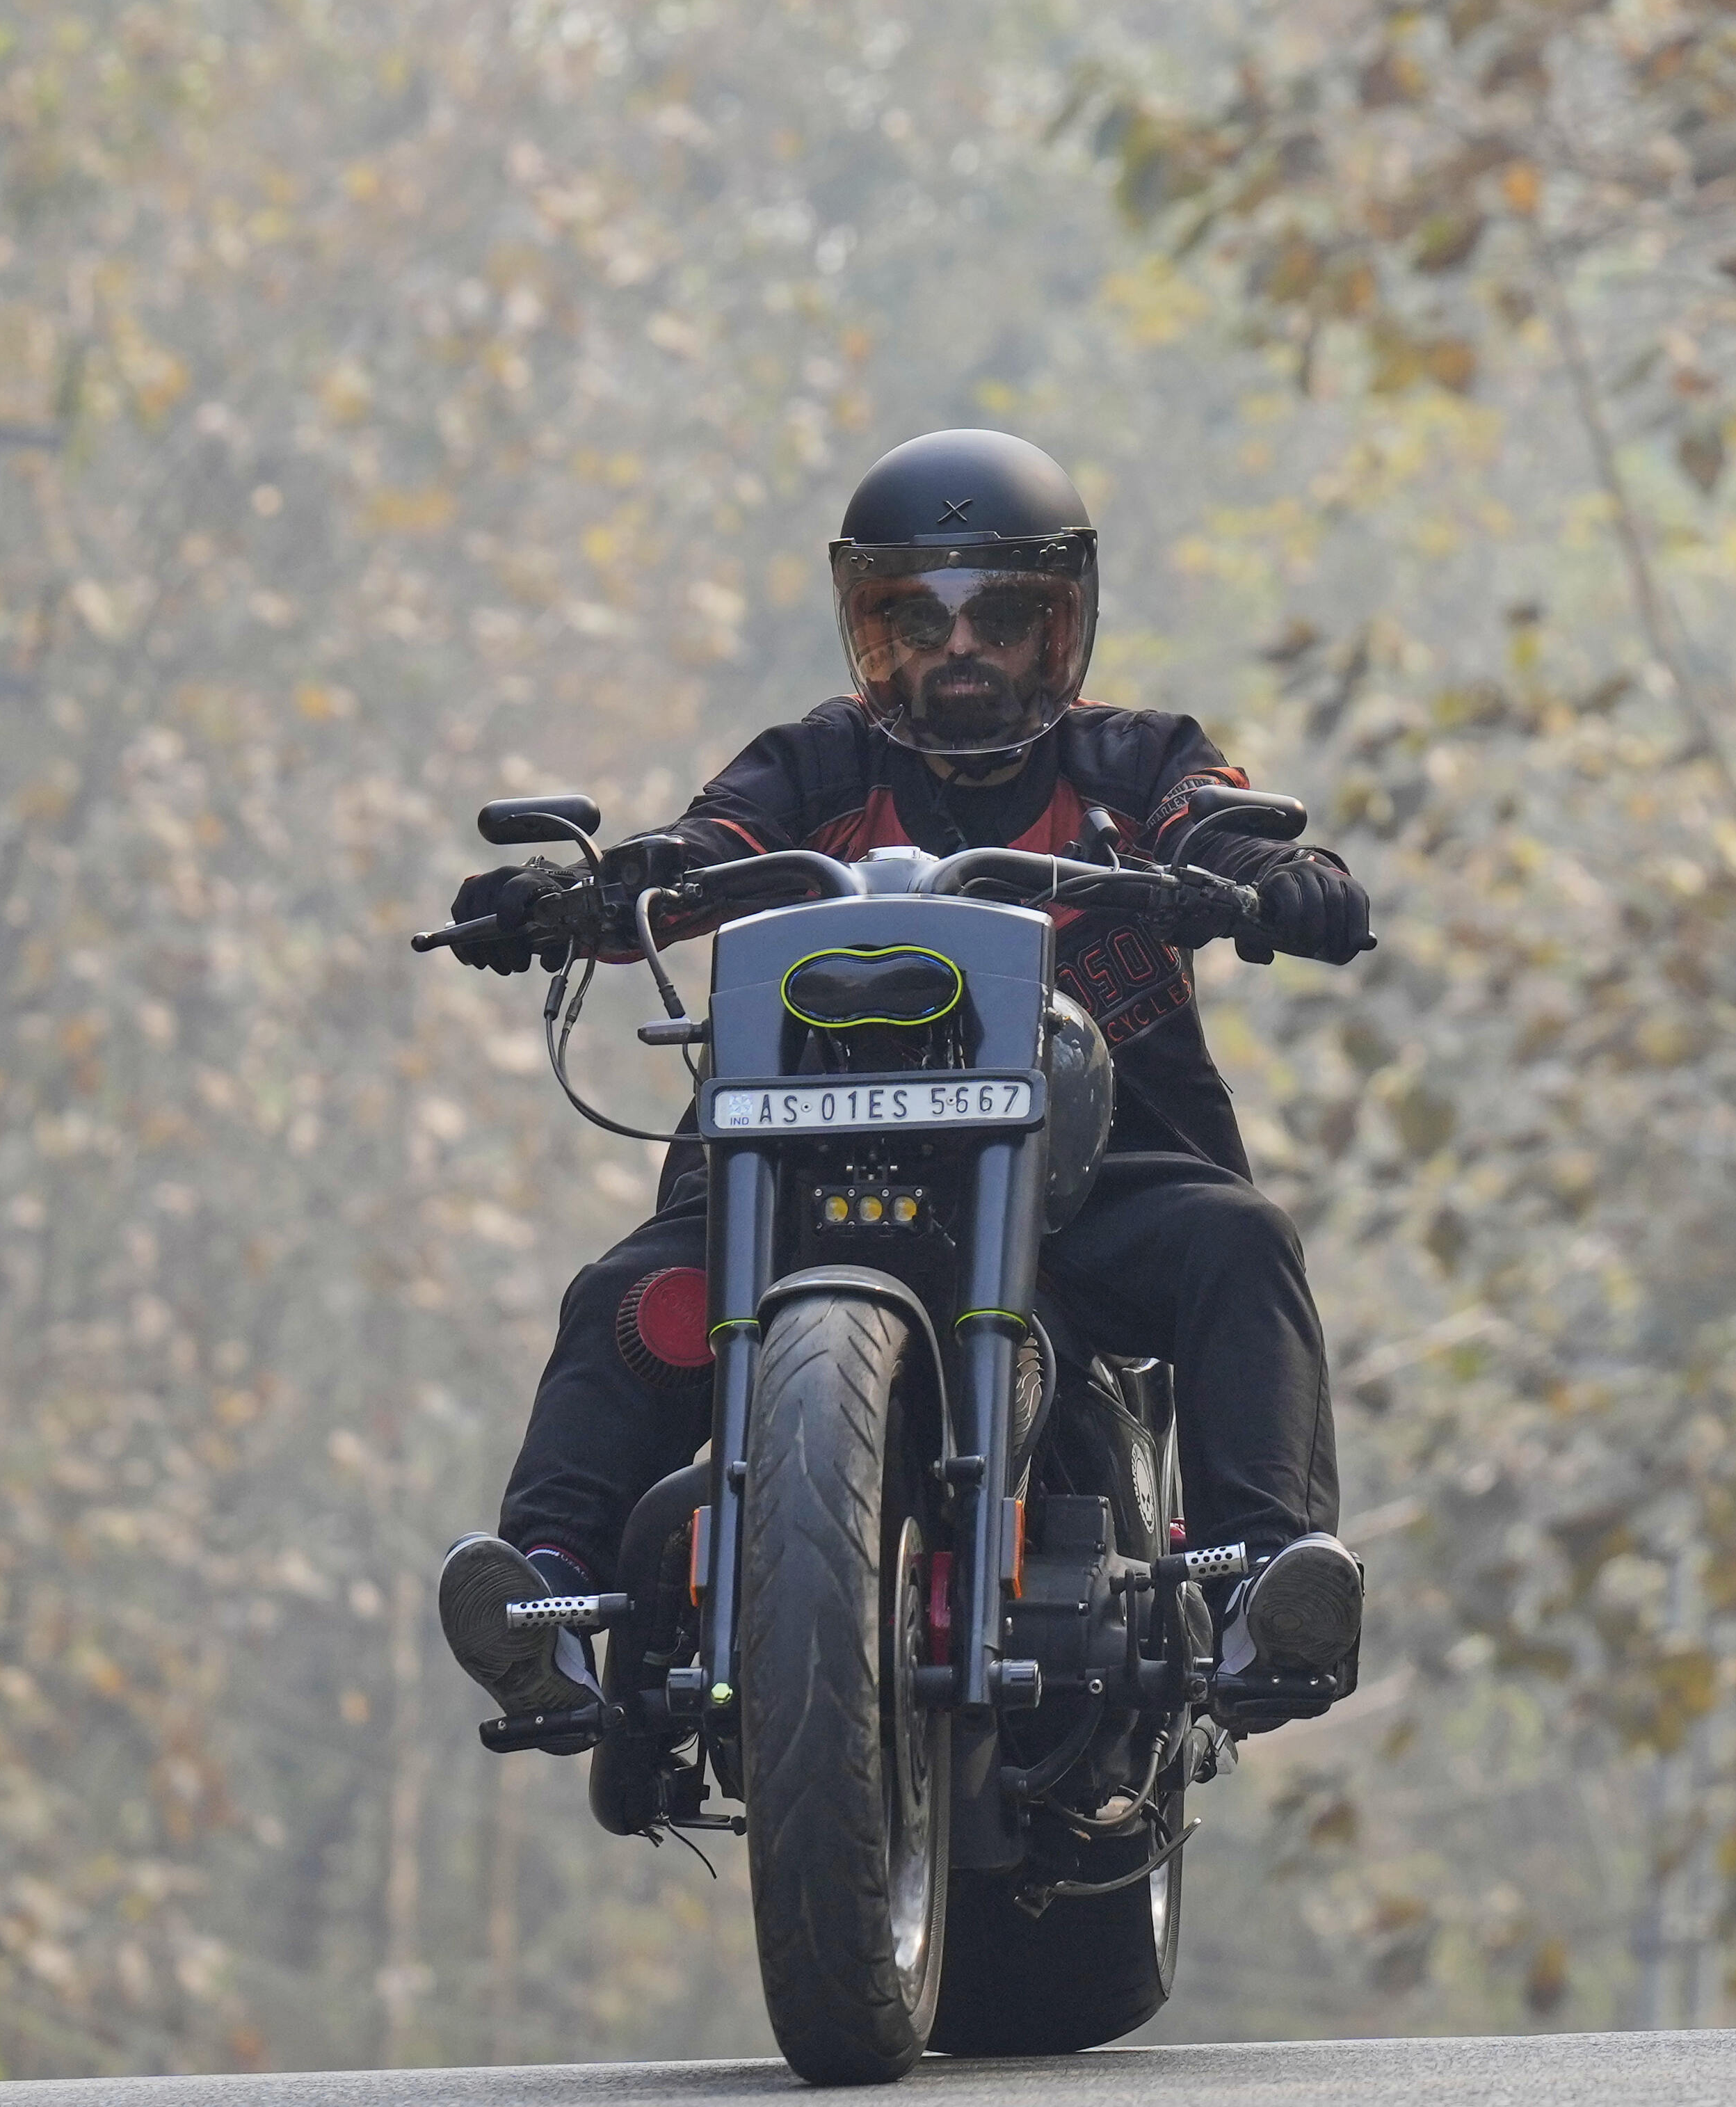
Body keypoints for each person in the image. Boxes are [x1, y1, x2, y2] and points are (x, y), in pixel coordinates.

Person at [424, 428, 1376, 1729]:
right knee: (631, 1298)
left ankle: (1266, 1585)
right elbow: (698, 849)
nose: (958, 647)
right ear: (868, 631)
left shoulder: (1137, 759)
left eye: (999, 616)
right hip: (792, 1170)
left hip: (1090, 1188)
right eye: (917, 620)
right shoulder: (814, 764)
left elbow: (1210, 818)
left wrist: (1270, 877)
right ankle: (545, 1597)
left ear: (1061, 627)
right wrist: (573, 895)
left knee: (1240, 1245)